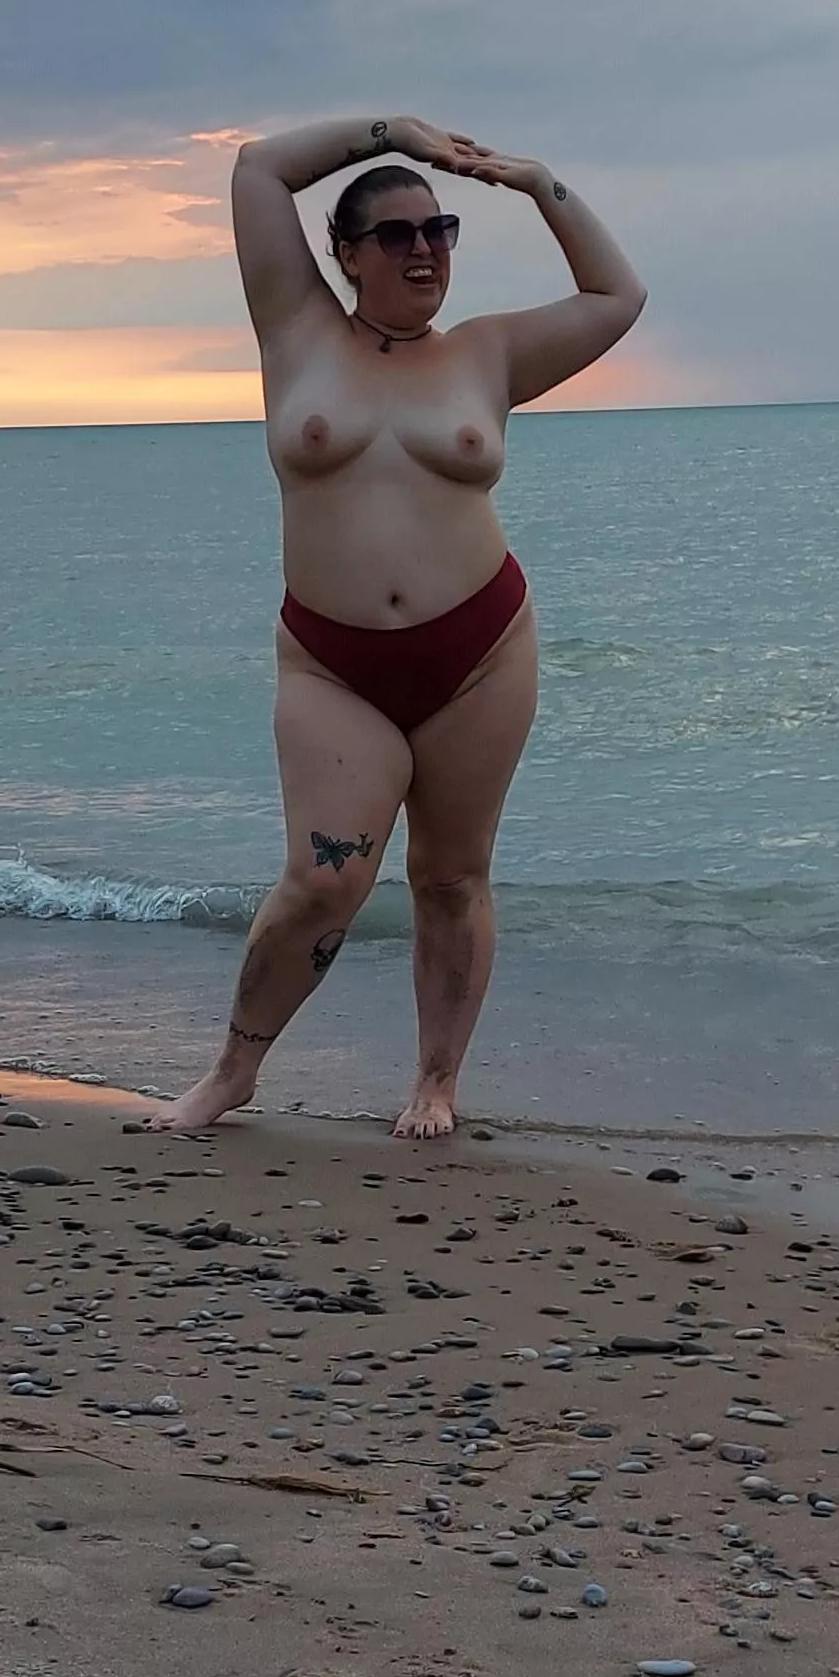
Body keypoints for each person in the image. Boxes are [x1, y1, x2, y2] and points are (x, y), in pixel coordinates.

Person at [157, 112, 645, 1142]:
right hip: (333, 664)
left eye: (440, 230)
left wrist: (533, 180)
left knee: (451, 878)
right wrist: (395, 134)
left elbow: (618, 296)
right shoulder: (295, 329)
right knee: (323, 882)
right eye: (398, 234)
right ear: (346, 254)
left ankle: (435, 1082)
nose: (425, 249)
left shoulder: (489, 353)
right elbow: (259, 167)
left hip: (480, 652)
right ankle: (232, 1072)